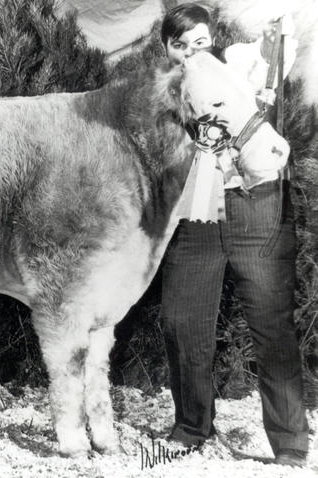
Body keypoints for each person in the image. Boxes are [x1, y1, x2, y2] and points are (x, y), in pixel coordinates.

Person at [158, 3, 309, 468]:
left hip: (256, 206)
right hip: (198, 210)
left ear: (214, 41)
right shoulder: (167, 92)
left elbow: (269, 53)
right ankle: (191, 427)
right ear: (166, 49)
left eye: (200, 41)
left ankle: (289, 444)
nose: (191, 51)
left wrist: (276, 34)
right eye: (179, 44)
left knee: (271, 324)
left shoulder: (237, 67)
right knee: (181, 321)